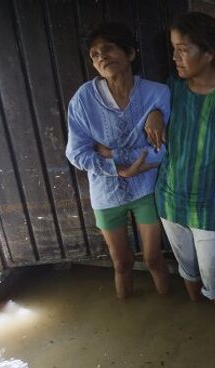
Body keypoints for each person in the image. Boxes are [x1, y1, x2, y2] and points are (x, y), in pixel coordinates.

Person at [146, 12, 215, 317]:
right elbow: (146, 105)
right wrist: (154, 113)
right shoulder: (171, 89)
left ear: (208, 54)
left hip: (211, 206)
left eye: (183, 49)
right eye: (173, 48)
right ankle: (200, 327)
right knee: (189, 272)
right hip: (169, 200)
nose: (175, 57)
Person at [65, 23, 170, 299]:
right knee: (121, 263)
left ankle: (172, 313)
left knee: (153, 260)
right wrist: (120, 168)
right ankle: (127, 317)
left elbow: (163, 152)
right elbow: (76, 153)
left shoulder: (157, 95)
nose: (102, 56)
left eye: (108, 48)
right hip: (105, 194)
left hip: (145, 190)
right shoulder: (83, 100)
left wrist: (111, 152)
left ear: (131, 54)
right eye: (95, 54)